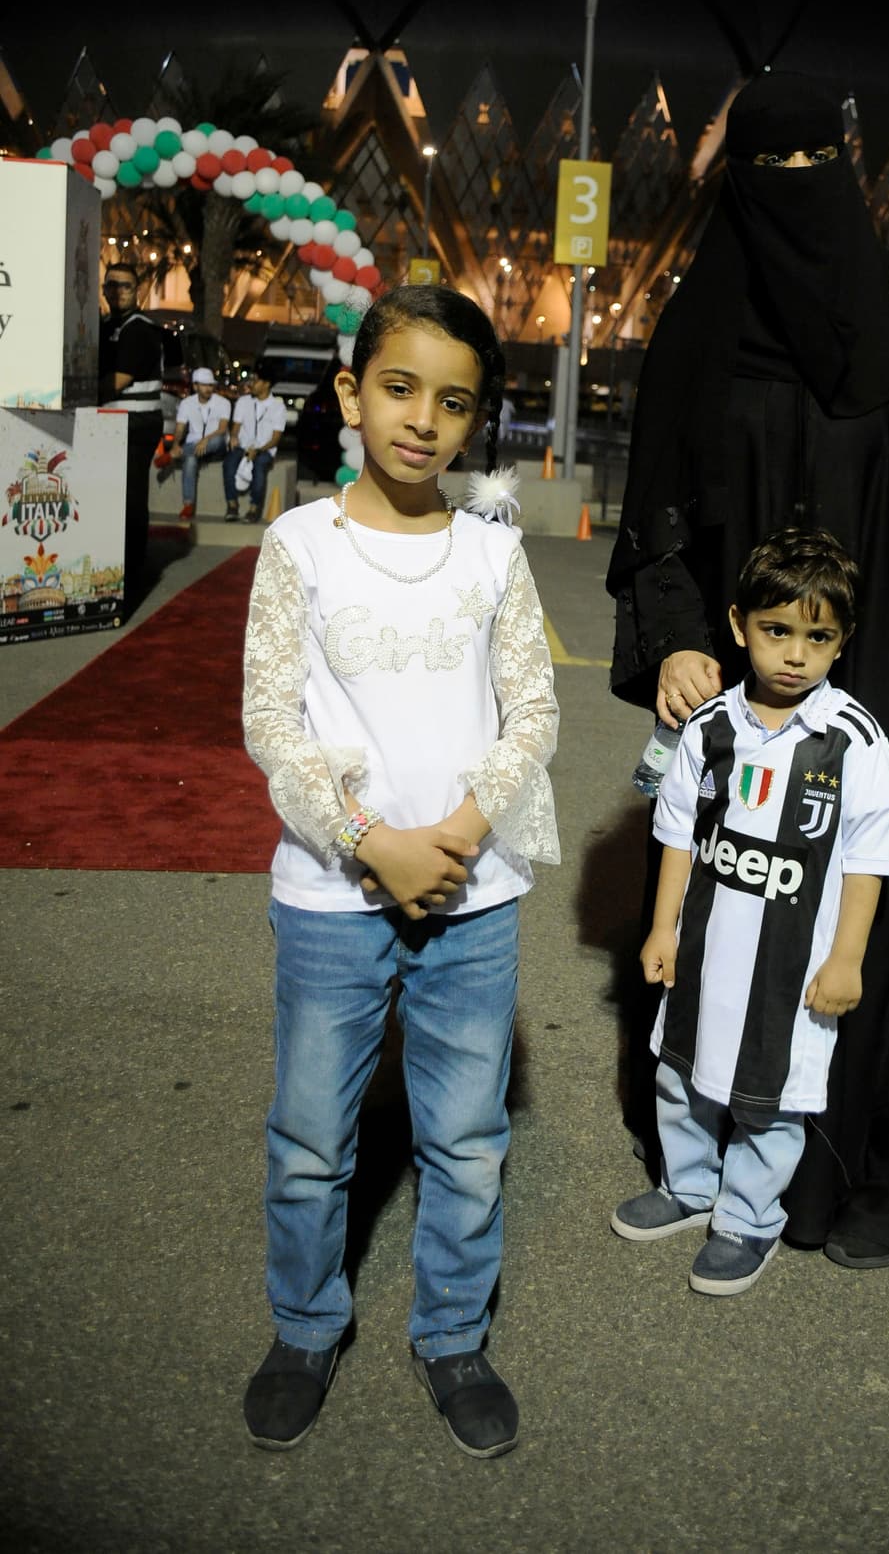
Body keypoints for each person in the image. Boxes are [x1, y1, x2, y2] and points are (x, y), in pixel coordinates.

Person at [608, 70, 889, 1271]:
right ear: (736, 179)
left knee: (884, 924)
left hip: (887, 677)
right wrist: (677, 636)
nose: (794, 189)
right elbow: (658, 514)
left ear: (844, 168)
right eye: (771, 167)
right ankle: (716, 1171)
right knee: (732, 915)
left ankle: (873, 1183)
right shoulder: (700, 327)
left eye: (814, 165)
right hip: (747, 686)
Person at [240, 284, 559, 1459]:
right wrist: (372, 841)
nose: (423, 419)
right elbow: (270, 718)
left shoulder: (492, 553)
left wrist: (459, 835)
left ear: (475, 420)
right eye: (399, 387)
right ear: (350, 392)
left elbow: (532, 708)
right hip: (332, 891)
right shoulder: (298, 544)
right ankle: (304, 1325)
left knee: (466, 1138)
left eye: (454, 401)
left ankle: (453, 1335)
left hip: (474, 899)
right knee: (310, 1135)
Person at [612, 528, 889, 1296]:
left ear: (842, 641)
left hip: (790, 969)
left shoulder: (852, 739)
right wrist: (663, 927)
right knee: (681, 1071)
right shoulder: (710, 726)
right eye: (778, 631)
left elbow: (872, 858)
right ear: (740, 626)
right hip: (705, 952)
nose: (796, 655)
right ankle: (688, 1187)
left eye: (819, 637)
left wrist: (846, 960)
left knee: (770, 1100)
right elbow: (677, 832)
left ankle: (749, 1219)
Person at [98, 266, 165, 607]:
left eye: (125, 286)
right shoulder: (109, 325)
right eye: (112, 285)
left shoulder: (139, 329)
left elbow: (118, 380)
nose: (118, 291)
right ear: (104, 289)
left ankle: (133, 570)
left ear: (137, 290)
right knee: (115, 497)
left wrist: (74, 395)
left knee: (130, 498)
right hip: (114, 421)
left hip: (136, 424)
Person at [223, 365, 287, 522]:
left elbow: (275, 439)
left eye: (255, 380)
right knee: (229, 463)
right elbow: (236, 427)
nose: (251, 384)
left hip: (265, 449)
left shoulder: (277, 407)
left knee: (259, 466)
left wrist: (258, 450)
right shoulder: (243, 402)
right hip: (243, 445)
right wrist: (233, 437)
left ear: (267, 384)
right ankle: (232, 505)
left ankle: (254, 508)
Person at [170, 365, 230, 518]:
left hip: (214, 445)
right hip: (194, 445)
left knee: (217, 441)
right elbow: (180, 428)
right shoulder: (186, 403)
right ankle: (188, 504)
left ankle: (172, 456)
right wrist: (176, 444)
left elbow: (222, 429)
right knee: (190, 460)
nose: (208, 388)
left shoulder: (223, 403)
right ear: (195, 386)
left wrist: (206, 440)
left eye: (211, 385)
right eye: (204, 385)